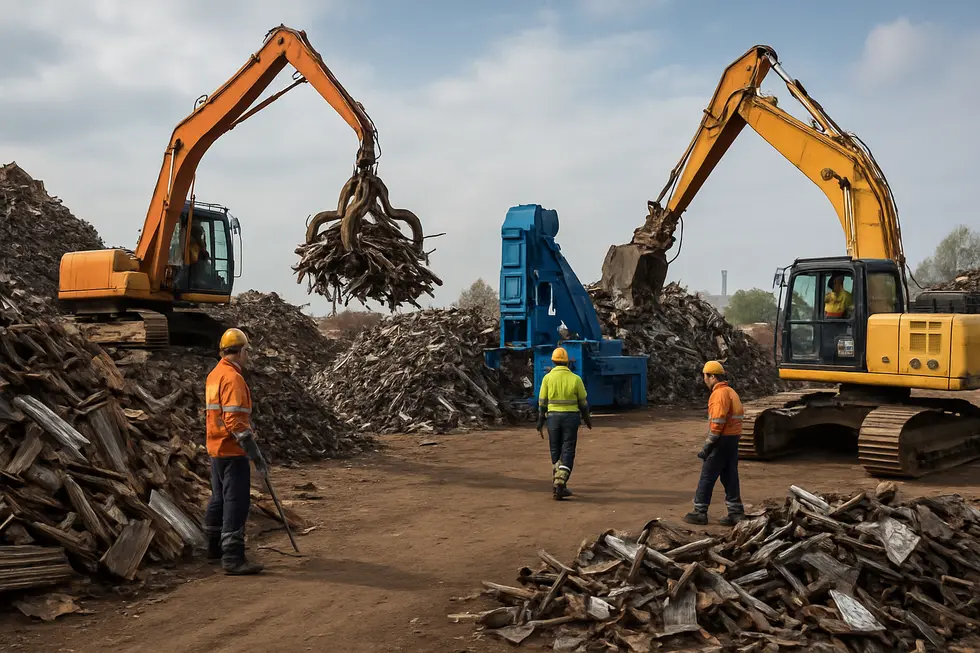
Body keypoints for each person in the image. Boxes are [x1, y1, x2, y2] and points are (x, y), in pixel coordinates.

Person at [204, 328, 266, 575]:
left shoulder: (214, 375)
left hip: (215, 447)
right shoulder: (233, 378)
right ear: (241, 351)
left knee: (218, 498)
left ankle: (212, 547)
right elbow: (235, 421)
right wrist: (253, 451)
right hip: (232, 449)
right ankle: (232, 557)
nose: (247, 356)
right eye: (247, 351)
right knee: (236, 501)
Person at [684, 361, 744, 526]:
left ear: (711, 376)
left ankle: (700, 511)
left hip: (721, 440)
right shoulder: (731, 392)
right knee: (729, 475)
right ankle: (736, 512)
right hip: (733, 439)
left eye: (705, 376)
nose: (704, 379)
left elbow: (717, 422)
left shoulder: (718, 395)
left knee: (708, 475)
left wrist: (708, 446)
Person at [536, 347, 592, 500]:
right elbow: (583, 403)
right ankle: (560, 483)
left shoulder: (547, 378)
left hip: (553, 418)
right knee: (567, 449)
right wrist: (587, 419)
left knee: (555, 450)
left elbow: (542, 402)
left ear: (553, 362)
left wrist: (541, 420)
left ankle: (558, 485)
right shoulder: (575, 379)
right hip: (571, 418)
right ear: (567, 362)